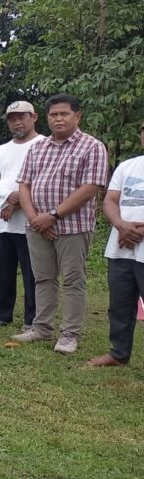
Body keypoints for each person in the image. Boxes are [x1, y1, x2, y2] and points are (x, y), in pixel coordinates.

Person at [11, 94, 108, 354]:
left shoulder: (92, 146)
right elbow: (24, 185)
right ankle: (42, 327)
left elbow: (90, 189)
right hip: (37, 226)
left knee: (73, 281)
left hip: (73, 227)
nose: (58, 118)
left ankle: (70, 334)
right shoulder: (38, 147)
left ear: (77, 116)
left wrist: (52, 215)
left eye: (64, 114)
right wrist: (34, 218)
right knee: (42, 278)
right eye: (53, 114)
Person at [0, 101, 44, 328]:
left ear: (34, 117)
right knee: (1, 270)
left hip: (32, 220)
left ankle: (33, 319)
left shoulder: (44, 146)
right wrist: (8, 197)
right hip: (1, 221)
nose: (17, 122)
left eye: (22, 117)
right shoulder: (0, 150)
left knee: (33, 272)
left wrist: (20, 200)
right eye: (12, 118)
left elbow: (45, 180)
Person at [88, 122, 144, 367]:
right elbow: (110, 200)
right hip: (121, 247)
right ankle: (119, 353)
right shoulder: (128, 165)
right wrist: (122, 225)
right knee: (120, 304)